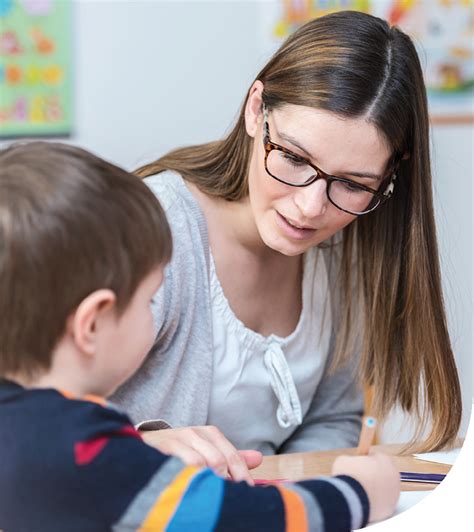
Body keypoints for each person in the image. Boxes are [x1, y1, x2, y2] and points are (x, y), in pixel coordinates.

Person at [112, 10, 462, 465]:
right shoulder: (152, 230)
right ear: (256, 109)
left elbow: (333, 418)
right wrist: (136, 446)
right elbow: (33, 413)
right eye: (295, 158)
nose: (311, 208)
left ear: (389, 176)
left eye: (353, 184)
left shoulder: (342, 253)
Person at [0, 141, 400, 531]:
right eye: (148, 299)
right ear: (91, 324)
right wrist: (362, 493)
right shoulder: (93, 454)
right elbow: (255, 519)